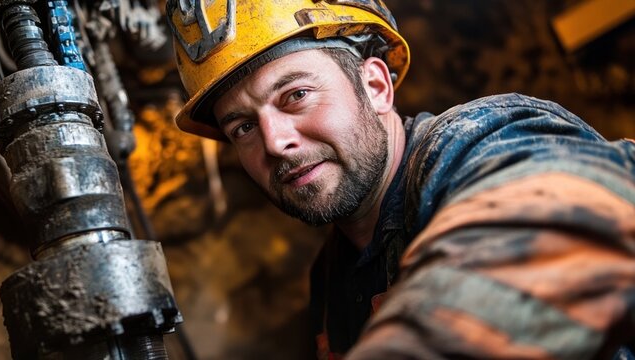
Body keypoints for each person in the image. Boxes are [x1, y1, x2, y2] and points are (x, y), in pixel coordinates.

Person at [165, 0, 635, 358]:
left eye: (296, 95)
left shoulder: (472, 140)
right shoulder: (331, 278)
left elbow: (572, 212)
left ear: (375, 87)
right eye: (243, 127)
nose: (274, 142)